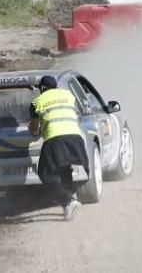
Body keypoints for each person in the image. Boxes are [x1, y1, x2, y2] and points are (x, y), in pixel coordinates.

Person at [28, 75, 89, 221]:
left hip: (55, 139)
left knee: (45, 173)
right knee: (64, 168)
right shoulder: (68, 95)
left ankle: (68, 201)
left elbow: (35, 130)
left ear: (42, 89)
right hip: (75, 137)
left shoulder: (37, 102)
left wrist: (34, 129)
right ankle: (69, 203)